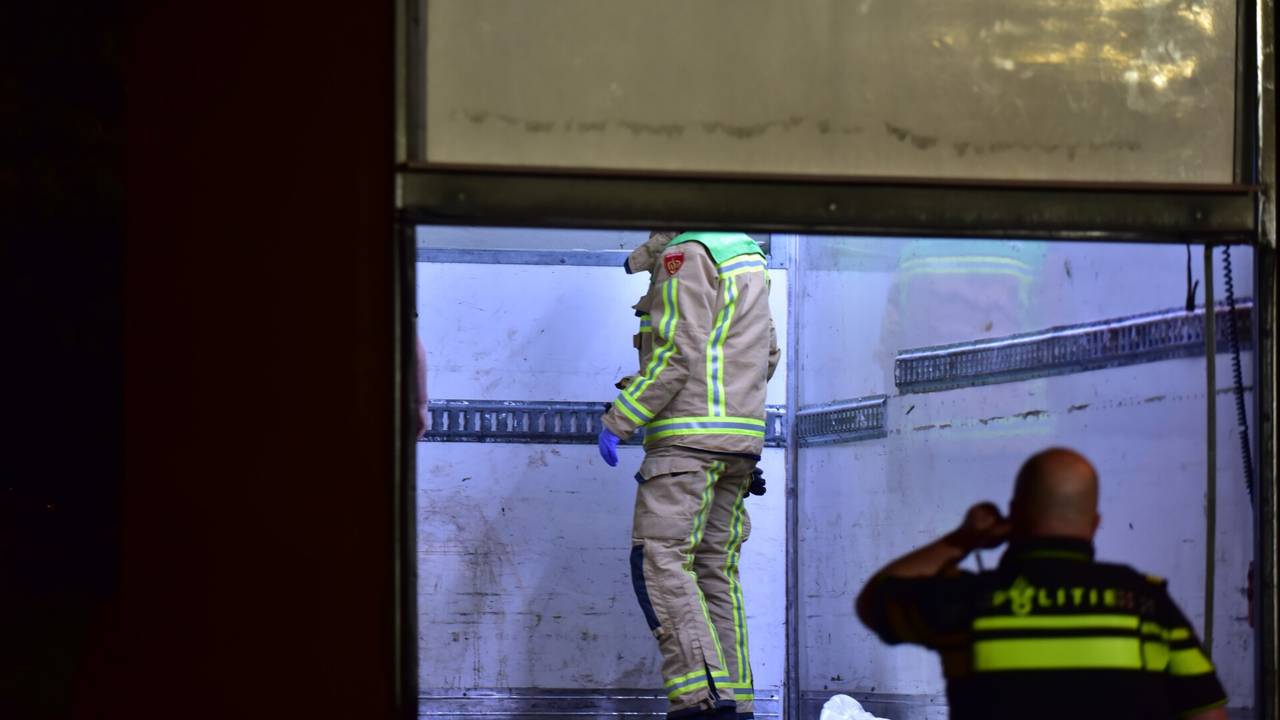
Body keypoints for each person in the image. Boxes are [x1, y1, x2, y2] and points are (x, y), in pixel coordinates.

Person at [855, 448, 1228, 720]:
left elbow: (874, 601)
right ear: (1094, 523)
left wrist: (964, 539)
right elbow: (1207, 715)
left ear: (1014, 514)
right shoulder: (1147, 603)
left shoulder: (969, 601)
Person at [598, 231, 780, 720]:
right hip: (737, 445)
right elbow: (767, 355)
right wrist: (733, 424)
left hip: (686, 443)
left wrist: (622, 416)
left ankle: (700, 700)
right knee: (714, 572)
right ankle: (735, 700)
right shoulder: (745, 255)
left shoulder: (687, 253)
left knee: (659, 563)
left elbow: (677, 352)